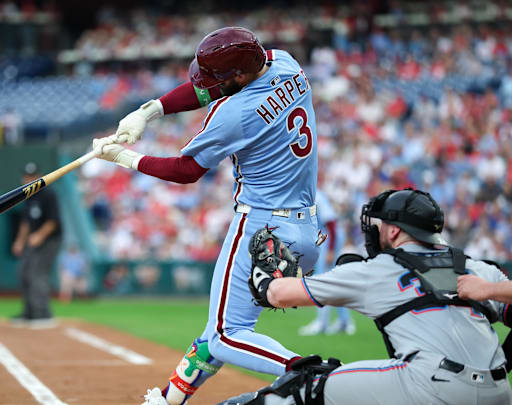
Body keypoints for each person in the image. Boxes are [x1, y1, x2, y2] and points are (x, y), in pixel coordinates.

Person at [93, 27, 321, 405]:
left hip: (261, 225)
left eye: (220, 76)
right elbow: (211, 88)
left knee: (225, 334)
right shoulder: (285, 62)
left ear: (241, 75)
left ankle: (311, 372)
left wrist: (125, 159)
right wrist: (151, 110)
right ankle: (168, 401)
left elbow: (186, 170)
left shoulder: (237, 113)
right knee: (216, 332)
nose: (210, 84)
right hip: (304, 230)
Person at [226, 188, 512, 405]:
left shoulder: (378, 270)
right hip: (499, 393)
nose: (375, 229)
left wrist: (269, 271)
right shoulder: (479, 269)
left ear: (395, 230)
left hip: (431, 385)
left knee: (306, 383)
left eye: (381, 223)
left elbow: (278, 294)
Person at [11, 162, 63, 327]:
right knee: (24, 272)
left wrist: (40, 235)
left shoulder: (48, 194)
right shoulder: (27, 196)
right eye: (27, 177)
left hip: (49, 240)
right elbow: (26, 222)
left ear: (39, 177)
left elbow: (53, 221)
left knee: (37, 274)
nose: (29, 180)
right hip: (33, 240)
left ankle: (43, 313)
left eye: (32, 177)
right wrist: (20, 241)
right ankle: (30, 312)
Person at [298, 190, 355, 336]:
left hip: (329, 237)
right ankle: (344, 322)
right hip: (325, 237)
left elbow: (331, 223)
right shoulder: (310, 194)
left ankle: (322, 323)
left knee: (322, 279)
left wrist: (330, 250)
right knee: (335, 280)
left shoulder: (315, 195)